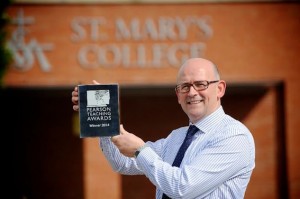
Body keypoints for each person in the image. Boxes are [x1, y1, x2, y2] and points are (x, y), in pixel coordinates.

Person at [71, 58, 255, 199]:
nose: (192, 92)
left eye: (200, 84)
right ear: (178, 95)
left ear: (220, 88)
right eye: (184, 87)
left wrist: (140, 150)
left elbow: (182, 188)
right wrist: (103, 114)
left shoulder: (233, 136)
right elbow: (122, 163)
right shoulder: (177, 138)